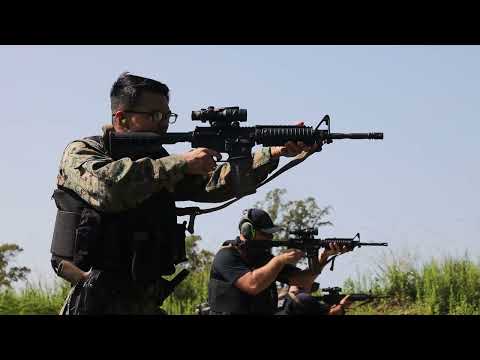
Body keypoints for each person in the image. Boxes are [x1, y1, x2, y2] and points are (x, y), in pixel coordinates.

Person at [50, 72, 315, 314]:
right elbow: (108, 188)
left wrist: (274, 152)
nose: (164, 124)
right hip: (94, 300)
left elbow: (213, 184)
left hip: (142, 300)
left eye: (167, 116)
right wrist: (181, 163)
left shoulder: (158, 162)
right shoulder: (83, 152)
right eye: (155, 116)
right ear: (122, 118)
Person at [207, 208, 351, 315]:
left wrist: (323, 257)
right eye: (266, 234)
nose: (270, 238)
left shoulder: (264, 259)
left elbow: (303, 281)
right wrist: (279, 260)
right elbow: (252, 284)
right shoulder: (227, 255)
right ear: (248, 231)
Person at [277, 285, 352, 315]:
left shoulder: (279, 300)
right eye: (300, 287)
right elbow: (332, 313)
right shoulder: (302, 299)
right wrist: (342, 306)